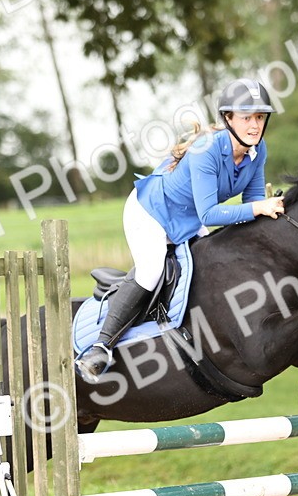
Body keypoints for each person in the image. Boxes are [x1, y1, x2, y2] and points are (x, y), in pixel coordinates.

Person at [75, 78, 286, 382]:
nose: (254, 125)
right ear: (227, 118)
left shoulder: (258, 150)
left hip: (188, 219)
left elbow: (253, 202)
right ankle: (100, 346)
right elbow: (211, 213)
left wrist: (269, 211)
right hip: (150, 212)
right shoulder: (207, 150)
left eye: (260, 117)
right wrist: (259, 208)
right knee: (151, 270)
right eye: (246, 117)